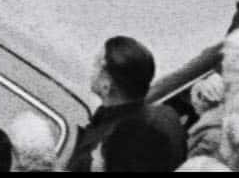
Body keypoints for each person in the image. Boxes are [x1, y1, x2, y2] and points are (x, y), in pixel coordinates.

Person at [70, 36, 183, 174]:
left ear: (106, 86)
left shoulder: (121, 141)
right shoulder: (164, 115)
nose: (92, 70)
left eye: (96, 65)